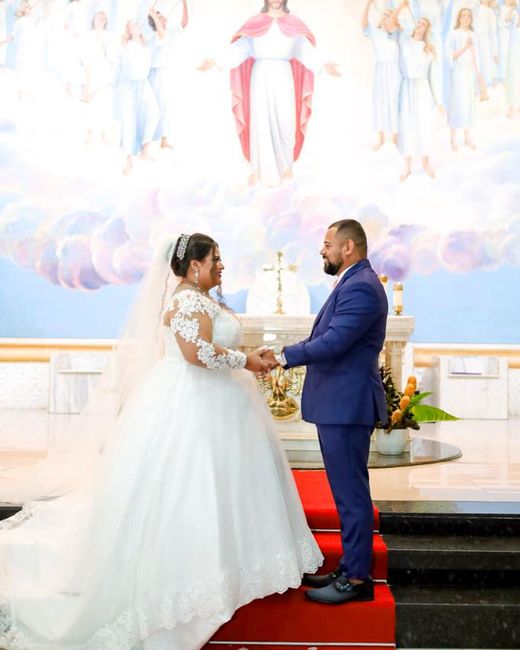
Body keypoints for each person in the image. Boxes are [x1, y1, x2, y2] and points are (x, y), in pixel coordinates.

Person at [0, 233, 323, 649]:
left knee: (221, 482)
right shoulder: (187, 301)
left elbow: (212, 346)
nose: (221, 265)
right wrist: (246, 360)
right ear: (194, 265)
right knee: (190, 480)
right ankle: (194, 570)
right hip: (191, 401)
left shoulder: (200, 299)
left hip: (217, 400)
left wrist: (247, 357)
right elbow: (197, 354)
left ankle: (235, 557)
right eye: (215, 258)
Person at [263, 219, 388, 605]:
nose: (323, 250)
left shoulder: (362, 287)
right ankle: (350, 566)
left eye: (328, 243)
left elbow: (333, 342)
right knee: (346, 491)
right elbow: (327, 338)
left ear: (348, 247)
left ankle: (357, 579)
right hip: (341, 404)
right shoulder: (354, 282)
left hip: (346, 406)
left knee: (351, 495)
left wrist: (283, 356)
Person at [198, 0, 340, 187]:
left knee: (286, 118)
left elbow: (305, 51)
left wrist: (324, 64)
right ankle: (257, 169)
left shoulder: (294, 24)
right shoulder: (255, 23)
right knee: (260, 120)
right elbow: (239, 49)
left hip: (283, 75)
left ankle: (286, 166)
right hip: (261, 75)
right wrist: (216, 60)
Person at [395, 9, 441, 181]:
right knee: (407, 125)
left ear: (427, 29)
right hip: (407, 87)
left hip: (423, 88)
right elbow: (395, 25)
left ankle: (425, 163)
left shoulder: (428, 49)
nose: (420, 24)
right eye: (419, 22)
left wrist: (438, 101)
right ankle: (407, 166)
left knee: (424, 124)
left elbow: (433, 77)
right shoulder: (404, 42)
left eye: (424, 23)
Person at [115, 19, 159, 175]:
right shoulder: (124, 46)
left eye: (138, 24)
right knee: (129, 122)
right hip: (129, 86)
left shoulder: (146, 45)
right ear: (128, 29)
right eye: (133, 25)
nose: (137, 27)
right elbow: (118, 68)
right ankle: (128, 162)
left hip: (143, 83)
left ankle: (145, 151)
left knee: (153, 113)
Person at [147, 0, 188, 150]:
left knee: (165, 106)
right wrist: (153, 13)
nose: (163, 17)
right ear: (154, 22)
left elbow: (183, 23)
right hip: (153, 75)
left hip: (163, 73)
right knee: (154, 108)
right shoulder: (153, 37)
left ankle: (164, 140)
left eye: (162, 16)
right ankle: (148, 140)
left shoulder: (168, 33)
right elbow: (161, 34)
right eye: (159, 17)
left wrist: (184, 3)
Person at [362, 0, 402, 151]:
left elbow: (390, 25)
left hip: (395, 70)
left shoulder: (396, 33)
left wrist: (397, 10)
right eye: (384, 14)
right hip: (380, 70)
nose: (386, 17)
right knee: (380, 102)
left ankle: (396, 137)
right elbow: (364, 23)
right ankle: (380, 137)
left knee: (394, 101)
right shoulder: (375, 33)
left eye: (389, 15)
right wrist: (367, 4)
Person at [446, 7, 480, 150]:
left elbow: (476, 56)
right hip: (458, 72)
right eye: (463, 15)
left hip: (470, 73)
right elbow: (451, 56)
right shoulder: (453, 34)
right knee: (456, 103)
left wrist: (477, 74)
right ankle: (453, 139)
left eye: (468, 16)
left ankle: (467, 138)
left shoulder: (473, 35)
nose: (466, 18)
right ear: (459, 18)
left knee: (468, 104)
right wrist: (465, 47)